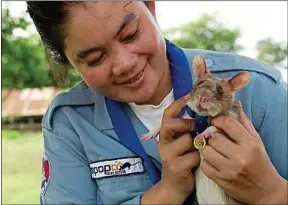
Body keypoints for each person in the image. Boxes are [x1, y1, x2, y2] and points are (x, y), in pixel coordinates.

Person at [26, 1, 287, 204]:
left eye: (130, 34)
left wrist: (271, 193)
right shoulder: (69, 122)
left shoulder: (259, 90)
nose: (125, 64)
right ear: (68, 62)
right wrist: (168, 191)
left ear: (150, 6)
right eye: (95, 59)